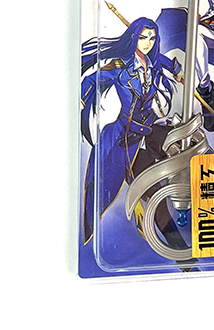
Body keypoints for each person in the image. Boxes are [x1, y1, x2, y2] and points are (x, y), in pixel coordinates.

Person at [80, 17, 186, 250]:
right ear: (133, 38)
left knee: (185, 144)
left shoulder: (153, 61)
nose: (147, 43)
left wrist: (179, 73)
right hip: (126, 139)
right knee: (151, 190)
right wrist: (80, 101)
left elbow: (168, 63)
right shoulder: (120, 66)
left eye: (152, 38)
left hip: (151, 130)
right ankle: (179, 248)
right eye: (142, 38)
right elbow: (90, 81)